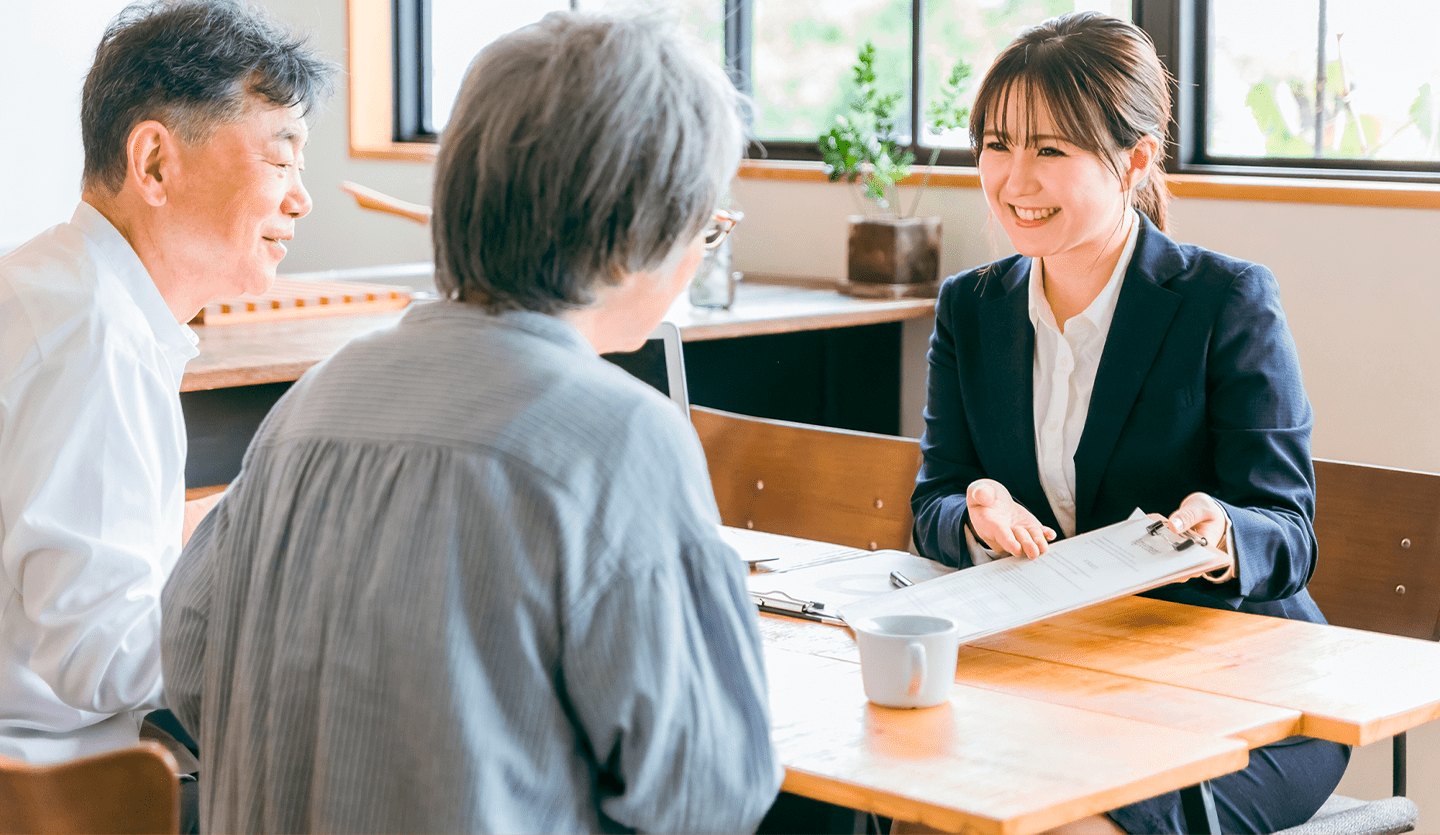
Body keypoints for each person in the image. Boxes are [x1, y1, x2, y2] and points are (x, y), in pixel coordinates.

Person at [161, 11, 782, 834]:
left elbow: (192, 663)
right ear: (637, 233)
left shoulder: (313, 401)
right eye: (705, 223)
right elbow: (707, 791)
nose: (702, 249)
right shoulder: (619, 438)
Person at [909, 12, 1347, 835]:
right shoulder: (971, 308)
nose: (1013, 179)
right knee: (917, 805)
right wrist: (975, 516)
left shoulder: (1226, 300)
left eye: (1050, 149)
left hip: (1242, 688)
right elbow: (932, 500)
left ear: (1136, 158)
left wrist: (1221, 530)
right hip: (1057, 674)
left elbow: (1288, 531)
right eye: (997, 144)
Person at [0, 0, 333, 764]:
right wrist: (297, 607)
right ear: (154, 162)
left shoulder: (55, 287)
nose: (301, 197)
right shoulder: (91, 340)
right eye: (280, 159)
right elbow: (102, 653)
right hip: (59, 785)